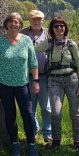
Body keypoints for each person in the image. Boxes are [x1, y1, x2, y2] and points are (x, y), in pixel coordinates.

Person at [0, 12, 40, 156]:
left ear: (20, 25)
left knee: (28, 114)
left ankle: (31, 145)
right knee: (10, 115)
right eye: (11, 21)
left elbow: (33, 62)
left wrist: (36, 81)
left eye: (17, 22)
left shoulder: (26, 40)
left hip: (22, 83)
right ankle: (15, 145)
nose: (14, 24)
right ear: (6, 24)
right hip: (4, 83)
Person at [33, 16, 79, 151]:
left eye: (62, 26)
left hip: (71, 79)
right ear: (52, 28)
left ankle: (78, 141)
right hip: (54, 80)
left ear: (65, 28)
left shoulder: (71, 44)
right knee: (56, 112)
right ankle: (56, 141)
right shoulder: (48, 43)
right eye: (56, 26)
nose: (59, 28)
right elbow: (33, 49)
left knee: (75, 112)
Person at [21, 9, 52, 143]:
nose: (36, 21)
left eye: (39, 19)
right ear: (29, 20)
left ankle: (48, 133)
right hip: (27, 76)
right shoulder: (22, 33)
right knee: (30, 107)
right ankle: (34, 131)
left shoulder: (49, 33)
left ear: (43, 20)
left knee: (46, 106)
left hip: (44, 75)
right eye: (34, 19)